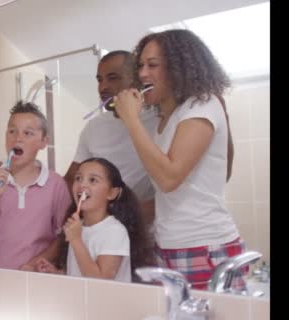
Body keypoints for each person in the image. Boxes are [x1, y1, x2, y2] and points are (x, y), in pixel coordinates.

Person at [113, 29, 244, 290]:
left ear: (178, 67)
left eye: (152, 65)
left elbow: (168, 178)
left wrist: (131, 121)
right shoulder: (168, 117)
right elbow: (173, 195)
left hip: (205, 245)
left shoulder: (201, 106)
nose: (142, 74)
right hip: (170, 244)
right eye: (141, 66)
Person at [0, 101, 72, 270]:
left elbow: (64, 237)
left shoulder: (56, 184)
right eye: (12, 131)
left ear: (44, 142)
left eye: (28, 133)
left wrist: (33, 264)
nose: (17, 138)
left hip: (36, 277)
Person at [64, 51, 159, 225]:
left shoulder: (158, 119)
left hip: (146, 231)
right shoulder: (93, 128)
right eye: (99, 80)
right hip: (100, 229)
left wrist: (129, 217)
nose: (103, 87)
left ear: (135, 79)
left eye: (112, 78)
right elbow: (70, 178)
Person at [33, 158, 152, 282]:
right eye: (78, 178)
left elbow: (100, 281)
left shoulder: (114, 231)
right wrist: (58, 273)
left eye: (93, 180)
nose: (82, 184)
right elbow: (81, 273)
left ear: (112, 193)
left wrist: (76, 241)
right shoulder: (78, 227)